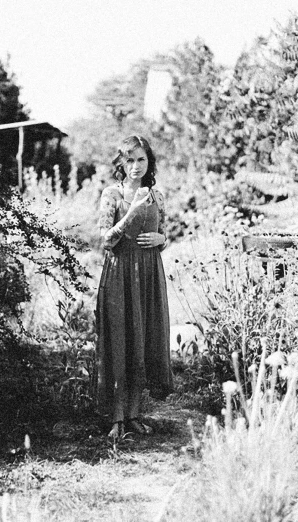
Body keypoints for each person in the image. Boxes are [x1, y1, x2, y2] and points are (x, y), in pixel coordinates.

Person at [95, 135, 173, 440]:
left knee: (143, 341)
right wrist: (130, 213)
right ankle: (116, 418)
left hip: (149, 276)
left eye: (141, 159)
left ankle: (135, 414)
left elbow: (163, 234)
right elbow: (106, 239)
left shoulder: (158, 196)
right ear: (121, 162)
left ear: (149, 162)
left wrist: (162, 240)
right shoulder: (111, 195)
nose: (136, 166)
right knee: (119, 341)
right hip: (119, 274)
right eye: (130, 160)